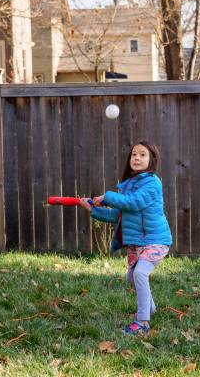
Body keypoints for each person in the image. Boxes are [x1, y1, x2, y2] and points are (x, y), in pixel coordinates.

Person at [79, 141, 172, 336]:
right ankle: (150, 307)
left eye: (142, 155)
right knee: (131, 276)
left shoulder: (152, 183)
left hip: (155, 240)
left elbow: (133, 203)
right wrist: (93, 209)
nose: (137, 158)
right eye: (134, 155)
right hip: (136, 243)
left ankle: (142, 322)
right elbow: (118, 215)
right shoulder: (129, 186)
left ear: (152, 160)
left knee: (140, 274)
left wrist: (108, 196)